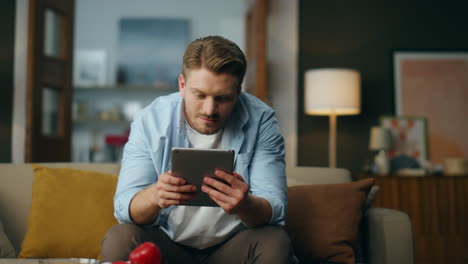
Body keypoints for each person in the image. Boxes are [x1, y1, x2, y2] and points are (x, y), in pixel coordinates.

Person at [102, 36, 294, 263]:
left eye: (222, 98)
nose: (209, 110)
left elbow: (275, 207)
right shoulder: (150, 120)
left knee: (275, 241)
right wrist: (155, 195)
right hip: (168, 245)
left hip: (234, 245)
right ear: (182, 85)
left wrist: (246, 205)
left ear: (238, 91)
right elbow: (125, 207)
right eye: (200, 95)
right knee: (121, 238)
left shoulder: (261, 120)